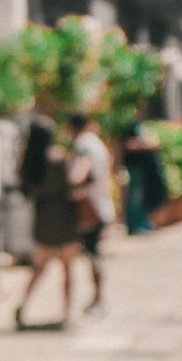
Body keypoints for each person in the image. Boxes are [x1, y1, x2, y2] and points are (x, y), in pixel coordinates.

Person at [15, 116, 80, 329]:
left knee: (39, 268)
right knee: (68, 268)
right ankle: (68, 312)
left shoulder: (28, 163)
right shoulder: (58, 158)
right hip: (63, 216)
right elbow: (70, 185)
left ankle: (22, 306)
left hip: (42, 216)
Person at [68, 111, 115, 315]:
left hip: (91, 209)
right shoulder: (97, 143)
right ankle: (98, 299)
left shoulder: (84, 144)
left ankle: (98, 300)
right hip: (101, 205)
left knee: (93, 255)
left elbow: (81, 172)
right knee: (94, 255)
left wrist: (69, 181)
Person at [123, 120, 168, 234]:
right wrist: (148, 145)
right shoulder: (128, 124)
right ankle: (135, 225)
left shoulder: (139, 124)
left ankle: (142, 222)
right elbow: (128, 144)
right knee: (135, 197)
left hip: (142, 167)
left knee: (141, 196)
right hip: (135, 166)